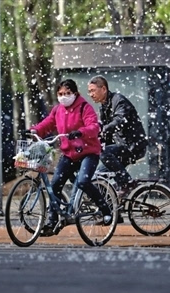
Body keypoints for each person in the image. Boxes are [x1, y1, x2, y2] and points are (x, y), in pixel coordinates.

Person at [29, 79, 112, 228]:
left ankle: (105, 209)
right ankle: (53, 220)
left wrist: (80, 133)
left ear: (75, 93)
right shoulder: (58, 109)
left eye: (67, 93)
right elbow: (48, 123)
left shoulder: (84, 108)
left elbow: (93, 126)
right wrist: (34, 130)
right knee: (54, 186)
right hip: (69, 154)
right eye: (60, 94)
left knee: (83, 182)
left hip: (88, 152)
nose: (64, 96)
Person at [87, 75, 148, 196]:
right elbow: (106, 134)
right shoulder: (104, 106)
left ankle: (127, 183)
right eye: (89, 92)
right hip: (122, 146)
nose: (91, 94)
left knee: (104, 153)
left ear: (103, 89)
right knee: (99, 178)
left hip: (133, 146)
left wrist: (102, 130)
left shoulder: (118, 100)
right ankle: (114, 209)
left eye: (93, 90)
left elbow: (119, 120)